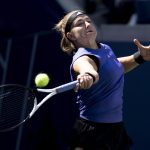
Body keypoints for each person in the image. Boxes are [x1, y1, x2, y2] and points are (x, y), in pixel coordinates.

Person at [54, 10, 150, 150]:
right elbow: (87, 68)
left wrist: (140, 57)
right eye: (80, 23)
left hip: (115, 130)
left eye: (88, 21)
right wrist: (87, 75)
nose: (87, 24)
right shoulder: (82, 57)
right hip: (92, 133)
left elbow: (116, 67)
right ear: (70, 35)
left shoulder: (105, 48)